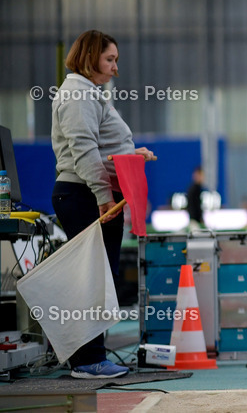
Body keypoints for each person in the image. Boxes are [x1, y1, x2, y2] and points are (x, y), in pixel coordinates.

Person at [51, 30, 156, 378]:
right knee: (92, 280)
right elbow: (83, 151)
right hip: (84, 196)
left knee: (99, 278)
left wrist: (130, 155)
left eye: (116, 61)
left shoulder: (88, 93)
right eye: (109, 60)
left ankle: (90, 355)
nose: (115, 69)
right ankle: (87, 360)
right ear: (90, 57)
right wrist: (103, 197)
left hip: (90, 194)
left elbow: (99, 149)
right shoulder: (78, 95)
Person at [185, 165, 206, 230]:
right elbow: (194, 207)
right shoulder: (194, 189)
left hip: (195, 221)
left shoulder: (197, 189)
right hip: (194, 222)